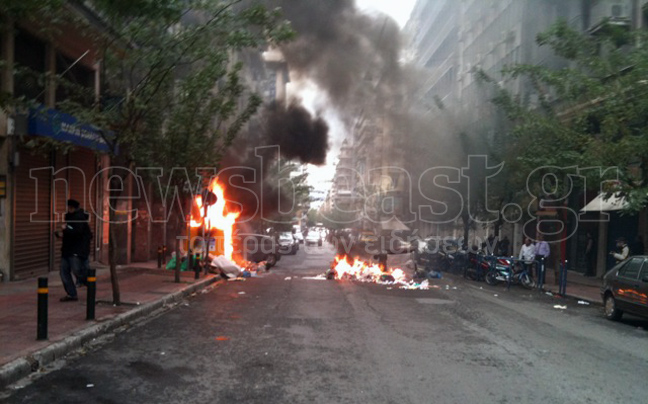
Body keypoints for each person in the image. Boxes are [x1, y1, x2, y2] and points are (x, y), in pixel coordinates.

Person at [55, 199, 92, 302]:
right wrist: (62, 235)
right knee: (64, 272)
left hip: (76, 251)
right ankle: (71, 294)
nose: (68, 209)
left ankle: (89, 282)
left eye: (70, 207)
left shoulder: (79, 218)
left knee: (77, 271)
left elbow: (77, 233)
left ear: (73, 208)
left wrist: (65, 229)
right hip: (67, 250)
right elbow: (71, 234)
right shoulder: (69, 218)